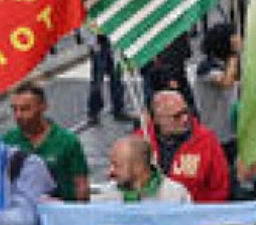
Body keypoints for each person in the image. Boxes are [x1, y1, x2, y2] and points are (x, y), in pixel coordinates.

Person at [2, 82, 90, 202]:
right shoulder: (8, 141)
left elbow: (81, 185)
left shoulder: (68, 141)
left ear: (43, 106)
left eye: (25, 109)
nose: (18, 115)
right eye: (14, 109)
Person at [143, 90, 231, 202]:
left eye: (186, 112)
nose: (185, 119)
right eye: (177, 116)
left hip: (195, 214)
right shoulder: (141, 140)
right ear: (157, 119)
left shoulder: (207, 140)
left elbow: (220, 186)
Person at [193, 23, 241, 165]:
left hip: (231, 130)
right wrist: (234, 55)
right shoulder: (206, 67)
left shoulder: (226, 64)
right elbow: (226, 82)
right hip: (216, 134)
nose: (239, 39)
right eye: (234, 36)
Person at [95, 136, 192, 203]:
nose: (111, 171)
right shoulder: (107, 196)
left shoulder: (176, 195)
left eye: (117, 165)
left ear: (138, 167)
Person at [85, 34, 129, 127]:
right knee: (97, 80)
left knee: (117, 78)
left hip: (112, 41)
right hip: (99, 43)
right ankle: (93, 112)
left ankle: (118, 109)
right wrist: (92, 44)